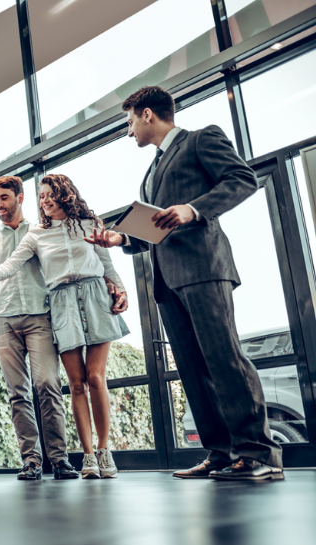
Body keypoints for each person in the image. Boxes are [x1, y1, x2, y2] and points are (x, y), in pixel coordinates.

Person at [86, 85, 283, 481]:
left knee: (224, 358)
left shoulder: (199, 139)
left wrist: (193, 209)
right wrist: (121, 238)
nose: (129, 133)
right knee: (194, 369)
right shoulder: (150, 173)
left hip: (203, 268)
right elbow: (157, 228)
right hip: (168, 280)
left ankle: (260, 454)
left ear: (146, 114)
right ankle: (222, 452)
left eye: (129, 122)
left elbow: (242, 178)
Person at [0, 174, 129, 479]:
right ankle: (57, 458)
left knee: (80, 380)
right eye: (41, 196)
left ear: (64, 195)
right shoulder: (29, 236)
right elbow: (10, 265)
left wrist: (119, 288)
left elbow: (107, 265)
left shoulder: (82, 225)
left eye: (49, 195)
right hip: (42, 309)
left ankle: (88, 453)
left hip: (75, 304)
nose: (44, 200)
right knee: (54, 386)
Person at [0, 175, 78, 481]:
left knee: (47, 384)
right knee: (17, 392)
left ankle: (59, 459)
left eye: (3, 198)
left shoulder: (41, 232)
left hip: (39, 318)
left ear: (20, 198)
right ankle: (31, 460)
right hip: (3, 321)